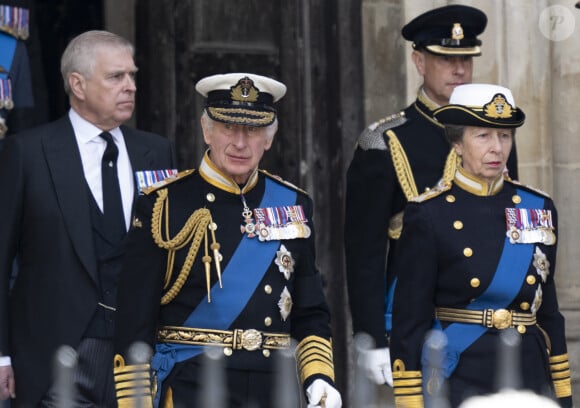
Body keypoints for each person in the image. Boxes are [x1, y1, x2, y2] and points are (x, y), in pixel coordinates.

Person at [112, 72, 341, 408]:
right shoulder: (163, 203)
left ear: (269, 139)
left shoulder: (292, 204)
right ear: (207, 131)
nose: (240, 143)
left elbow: (310, 311)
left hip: (273, 389)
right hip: (193, 384)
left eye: (252, 131)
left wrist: (318, 376)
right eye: (228, 128)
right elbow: (134, 320)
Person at [344, 4, 518, 387]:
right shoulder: (384, 141)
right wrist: (372, 337)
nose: (459, 69)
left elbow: (510, 233)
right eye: (445, 58)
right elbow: (365, 253)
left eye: (465, 59)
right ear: (419, 61)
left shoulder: (496, 135)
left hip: (485, 319)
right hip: (415, 317)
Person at [0, 30, 176, 407]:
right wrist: (1, 355)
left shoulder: (157, 151)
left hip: (138, 359)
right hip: (54, 361)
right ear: (77, 85)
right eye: (116, 77)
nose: (130, 86)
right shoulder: (27, 154)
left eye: (132, 76)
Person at [389, 83, 572, 407]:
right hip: (460, 375)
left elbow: (549, 314)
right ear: (457, 142)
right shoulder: (429, 213)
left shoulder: (537, 208)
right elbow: (410, 321)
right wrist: (411, 400)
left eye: (504, 136)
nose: (497, 149)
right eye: (483, 136)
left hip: (528, 373)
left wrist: (562, 393)